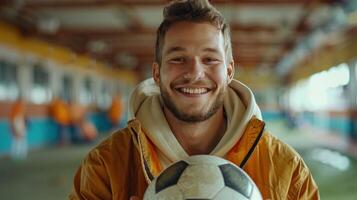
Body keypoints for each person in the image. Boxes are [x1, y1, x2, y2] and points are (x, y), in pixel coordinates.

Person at [69, 1, 319, 199]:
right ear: (156, 73)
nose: (195, 73)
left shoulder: (285, 170)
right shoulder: (106, 166)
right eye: (178, 58)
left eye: (210, 59)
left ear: (229, 72)